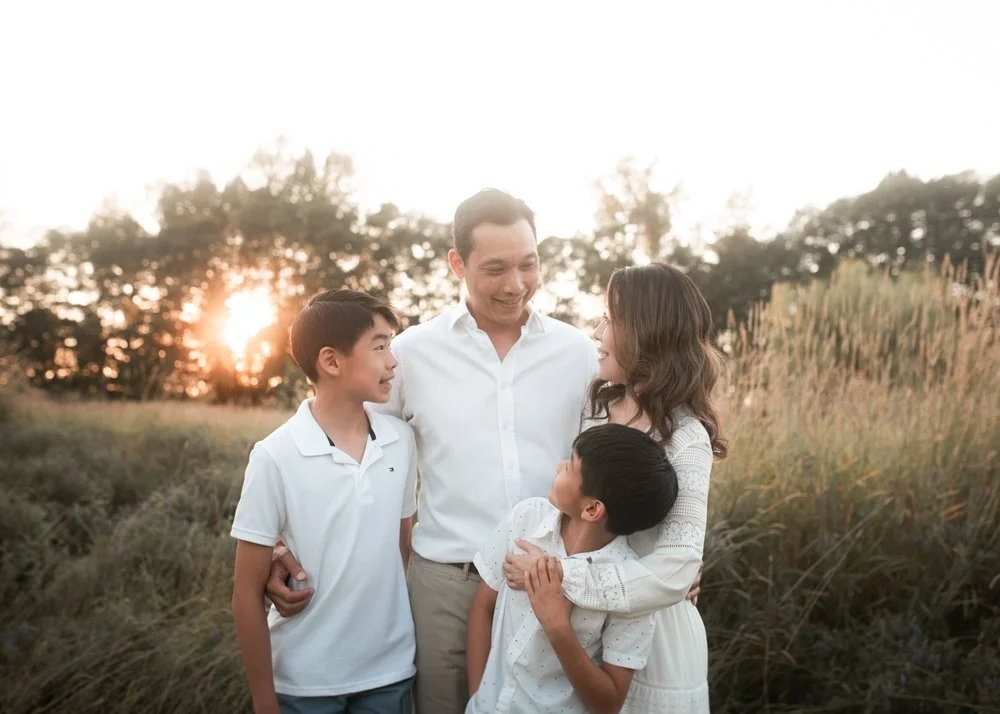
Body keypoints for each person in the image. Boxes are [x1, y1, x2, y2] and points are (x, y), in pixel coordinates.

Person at [505, 262, 727, 712]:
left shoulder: (686, 438)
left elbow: (677, 565)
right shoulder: (595, 408)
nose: (597, 330)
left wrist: (560, 576)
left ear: (646, 332)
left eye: (610, 319)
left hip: (649, 638)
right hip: (578, 626)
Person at [230, 288, 418, 714]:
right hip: (303, 683)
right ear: (331, 361)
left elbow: (402, 545)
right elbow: (245, 594)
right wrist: (264, 702)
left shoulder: (401, 441)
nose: (393, 361)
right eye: (380, 346)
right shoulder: (275, 455)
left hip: (389, 674)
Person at [466, 424, 679, 714]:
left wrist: (558, 626)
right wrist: (477, 696)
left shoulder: (632, 591)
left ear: (592, 510)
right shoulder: (526, 518)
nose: (558, 466)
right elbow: (482, 608)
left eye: (570, 467)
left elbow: (609, 703)